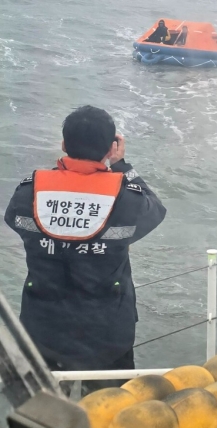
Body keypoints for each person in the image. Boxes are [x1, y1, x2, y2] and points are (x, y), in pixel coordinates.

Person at [4, 106, 166, 393]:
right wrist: (122, 165)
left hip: (42, 331)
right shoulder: (126, 198)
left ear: (64, 144)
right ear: (111, 147)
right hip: (106, 334)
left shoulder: (30, 191)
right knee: (109, 409)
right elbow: (156, 211)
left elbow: (13, 219)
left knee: (45, 411)